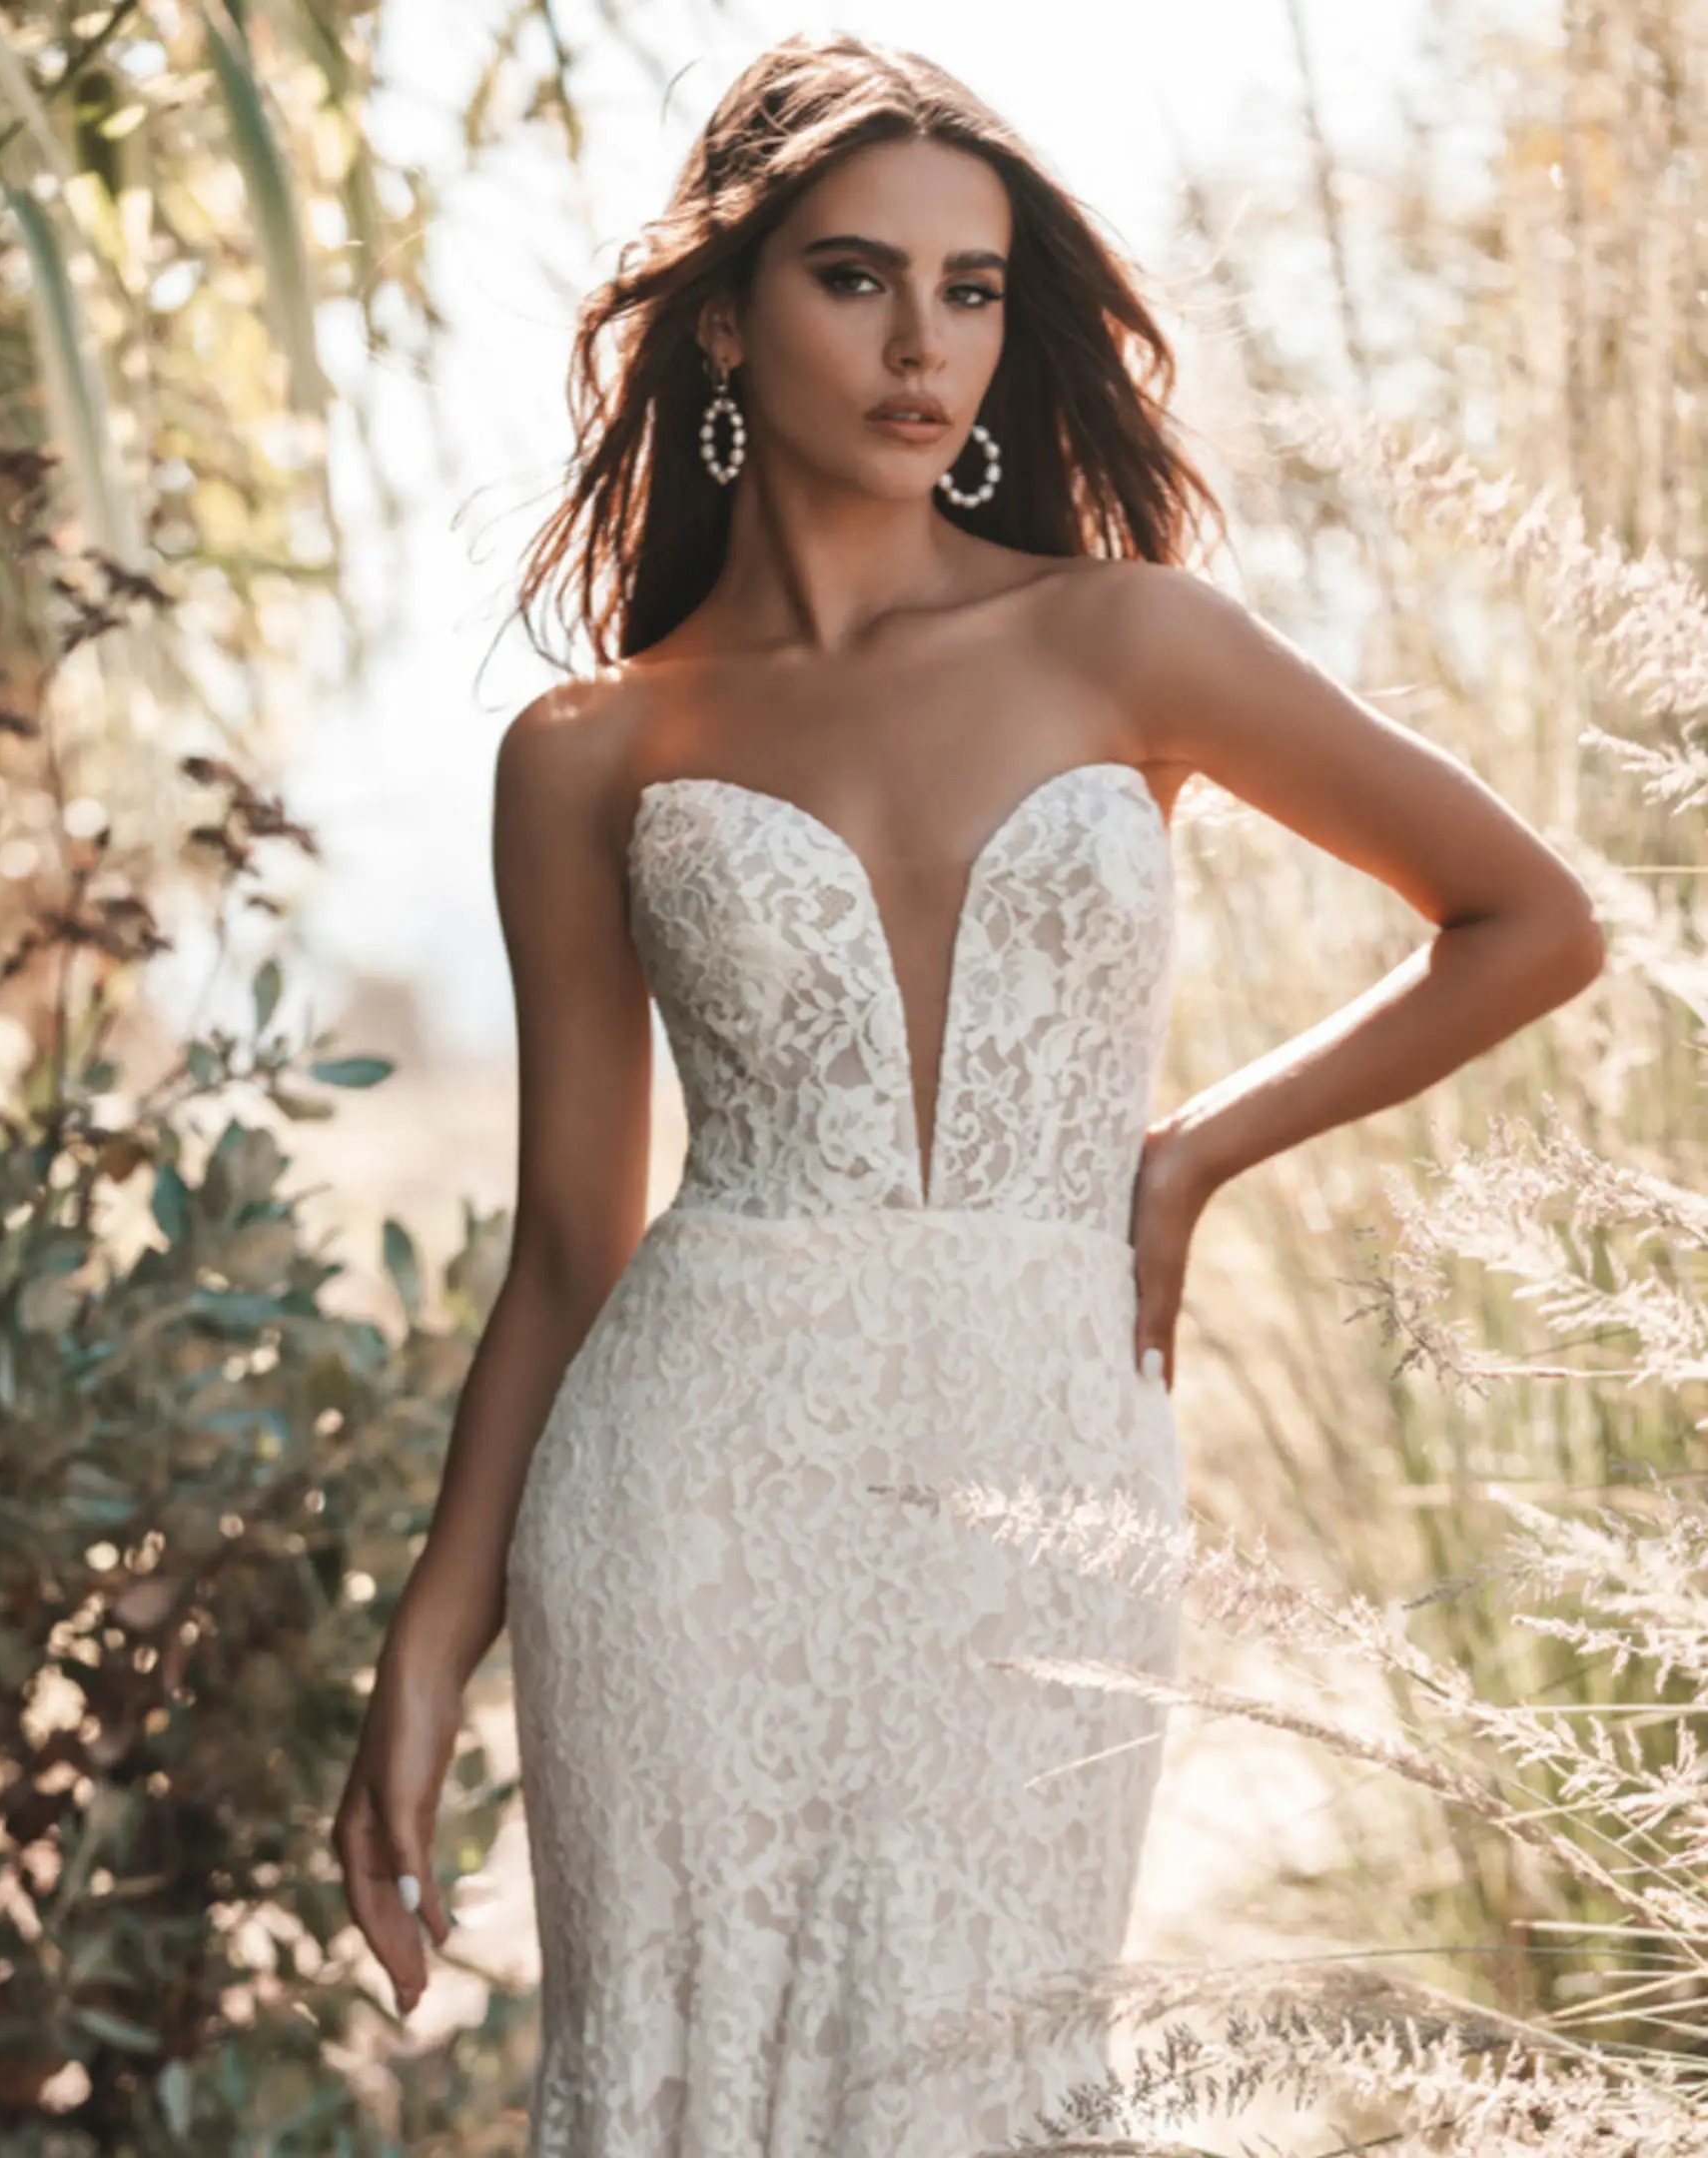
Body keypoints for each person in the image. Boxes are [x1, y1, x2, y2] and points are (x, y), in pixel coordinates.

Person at [333, 31, 1604, 2153]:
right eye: (857, 279)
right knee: (676, 2086)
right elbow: (569, 1248)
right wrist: (434, 1632)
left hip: (1041, 1476)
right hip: (686, 1506)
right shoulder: (590, 751)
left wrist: (1195, 1150)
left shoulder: (1132, 642)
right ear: (729, 318)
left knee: (987, 2076)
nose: (926, 345)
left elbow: (1528, 920)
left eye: (975, 288)